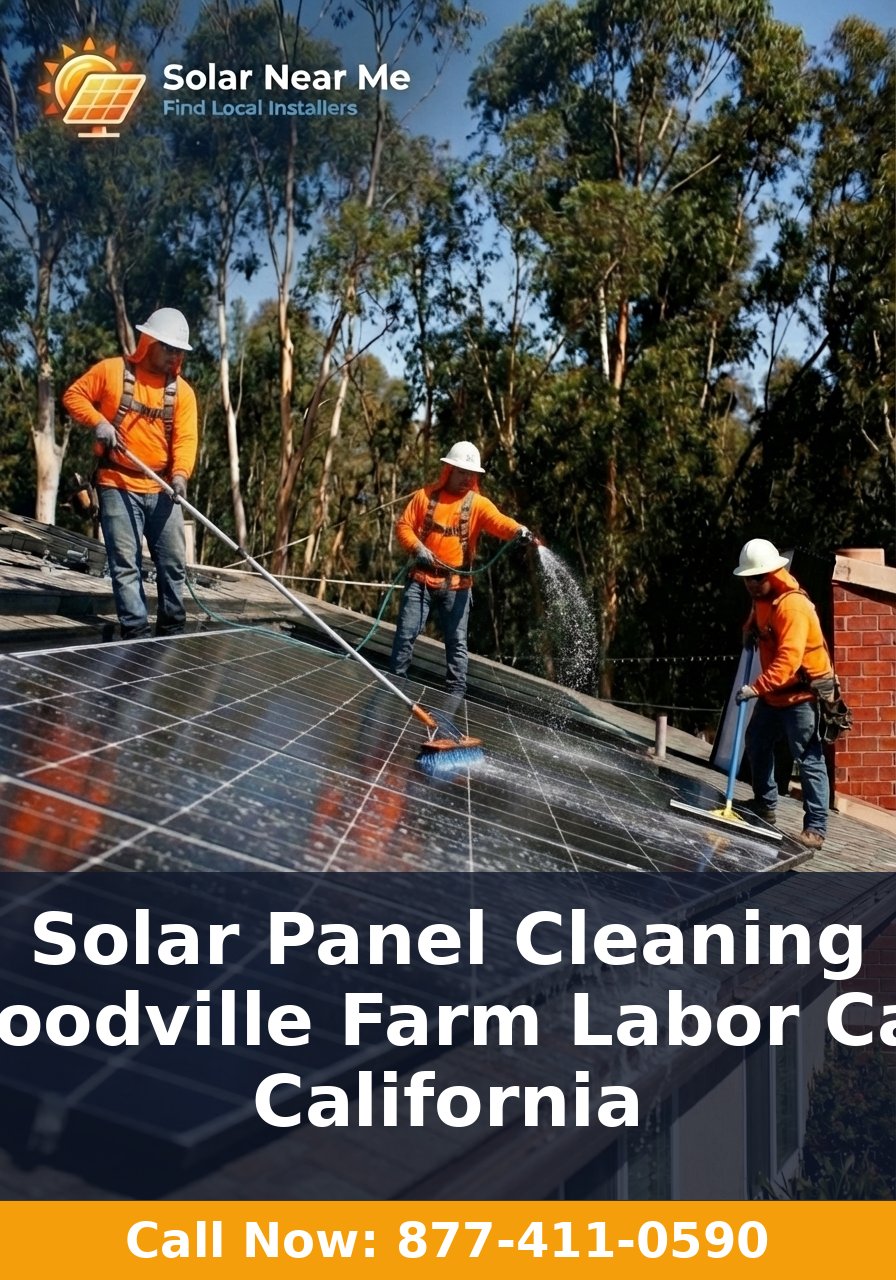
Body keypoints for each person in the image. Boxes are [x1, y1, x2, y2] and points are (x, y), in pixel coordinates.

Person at [63, 308, 198, 639]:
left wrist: (180, 476)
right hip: (117, 483)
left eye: (179, 350)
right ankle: (137, 636)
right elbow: (73, 396)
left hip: (163, 488)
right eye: (168, 347)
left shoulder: (182, 393)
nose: (174, 355)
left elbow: (185, 439)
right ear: (148, 342)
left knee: (172, 565)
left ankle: (171, 632)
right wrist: (99, 422)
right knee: (126, 563)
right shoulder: (111, 372)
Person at [390, 441, 534, 696]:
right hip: (421, 579)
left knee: (456, 644)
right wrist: (417, 548)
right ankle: (395, 686)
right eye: (461, 472)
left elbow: (500, 522)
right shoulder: (425, 496)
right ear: (448, 470)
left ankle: (456, 696)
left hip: (457, 586)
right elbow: (404, 526)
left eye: (471, 473)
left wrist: (518, 530)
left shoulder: (477, 504)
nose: (466, 478)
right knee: (406, 633)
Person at [732, 538, 833, 850]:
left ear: (770, 574)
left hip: (800, 695)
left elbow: (788, 662)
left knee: (808, 757)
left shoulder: (793, 607)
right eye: (747, 578)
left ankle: (815, 828)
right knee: (758, 741)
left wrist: (755, 688)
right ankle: (765, 804)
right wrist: (748, 629)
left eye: (755, 578)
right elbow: (757, 618)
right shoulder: (762, 596)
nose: (749, 584)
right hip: (776, 694)